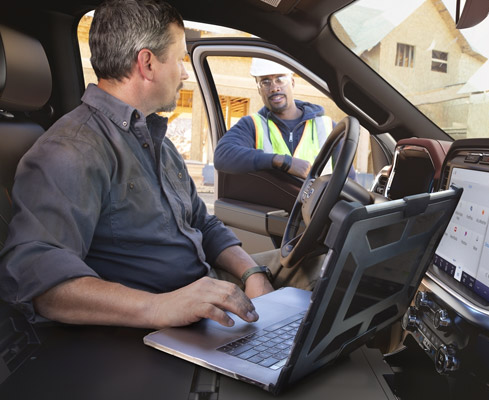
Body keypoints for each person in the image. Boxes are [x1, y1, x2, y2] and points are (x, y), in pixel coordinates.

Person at [0, 0, 274, 330]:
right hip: (155, 331)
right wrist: (159, 307)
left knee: (315, 272)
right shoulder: (71, 149)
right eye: (180, 59)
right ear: (147, 63)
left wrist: (251, 272)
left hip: (206, 299)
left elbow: (202, 222)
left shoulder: (158, 141)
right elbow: (35, 273)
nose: (185, 72)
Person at [214, 58, 354, 180]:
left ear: (292, 83)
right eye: (265, 82)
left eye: (280, 79)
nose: (274, 88)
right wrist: (282, 161)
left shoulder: (328, 127)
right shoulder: (252, 125)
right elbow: (222, 155)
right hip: (272, 208)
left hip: (318, 209)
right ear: (258, 90)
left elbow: (349, 181)